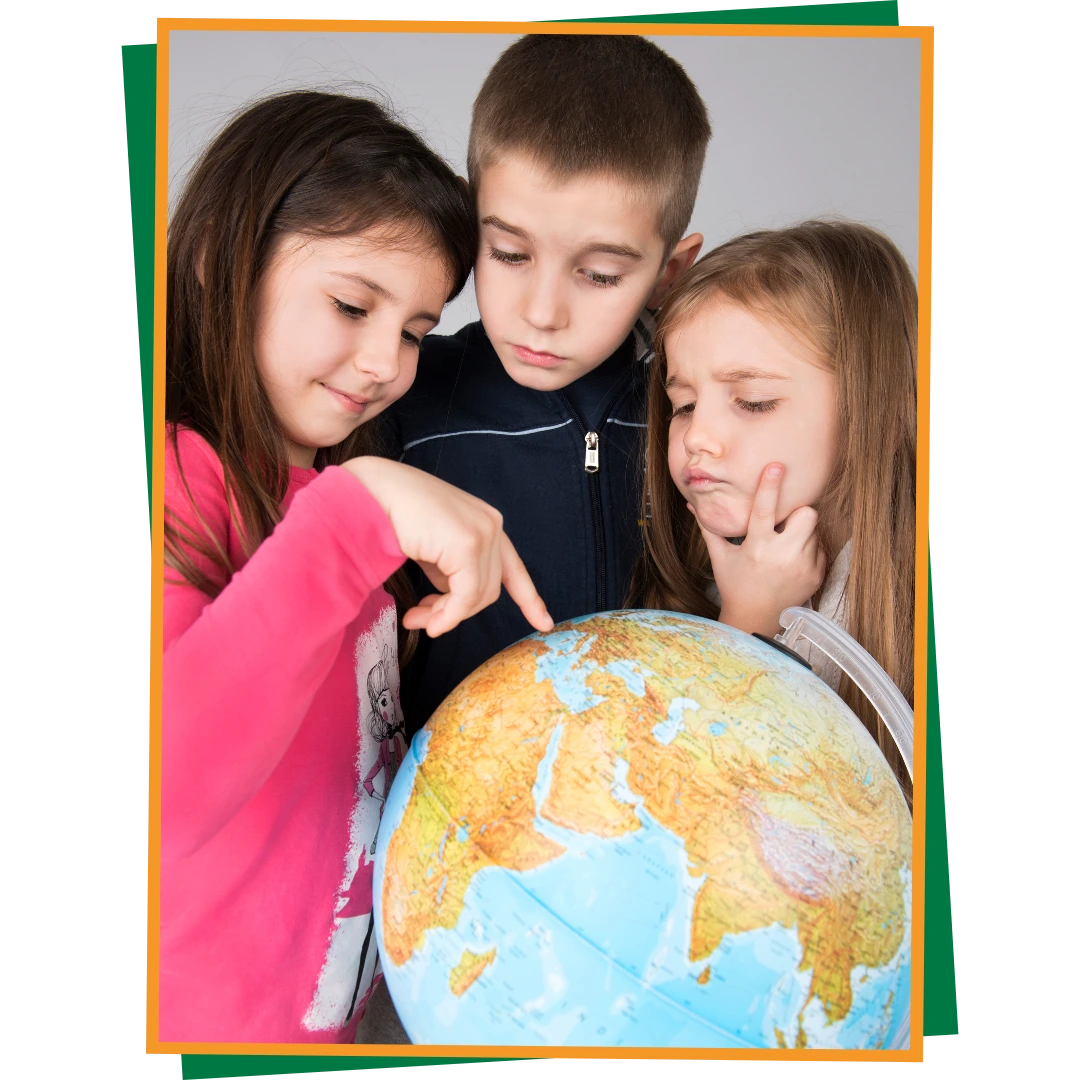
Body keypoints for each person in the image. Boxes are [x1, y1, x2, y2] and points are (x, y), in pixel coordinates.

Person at [159, 90, 553, 1045]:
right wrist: (356, 513)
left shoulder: (344, 508)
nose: (385, 361)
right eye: (350, 304)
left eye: (416, 330)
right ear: (222, 261)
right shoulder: (176, 481)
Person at [382, 34, 712, 736]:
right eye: (509, 253)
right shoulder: (396, 393)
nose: (541, 313)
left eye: (598, 274)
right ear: (468, 224)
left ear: (670, 273)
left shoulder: (700, 418)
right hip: (441, 819)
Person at [628, 220, 917, 804]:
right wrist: (750, 614)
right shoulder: (684, 594)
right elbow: (688, 806)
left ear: (873, 411)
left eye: (753, 402)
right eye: (682, 404)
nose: (697, 437)